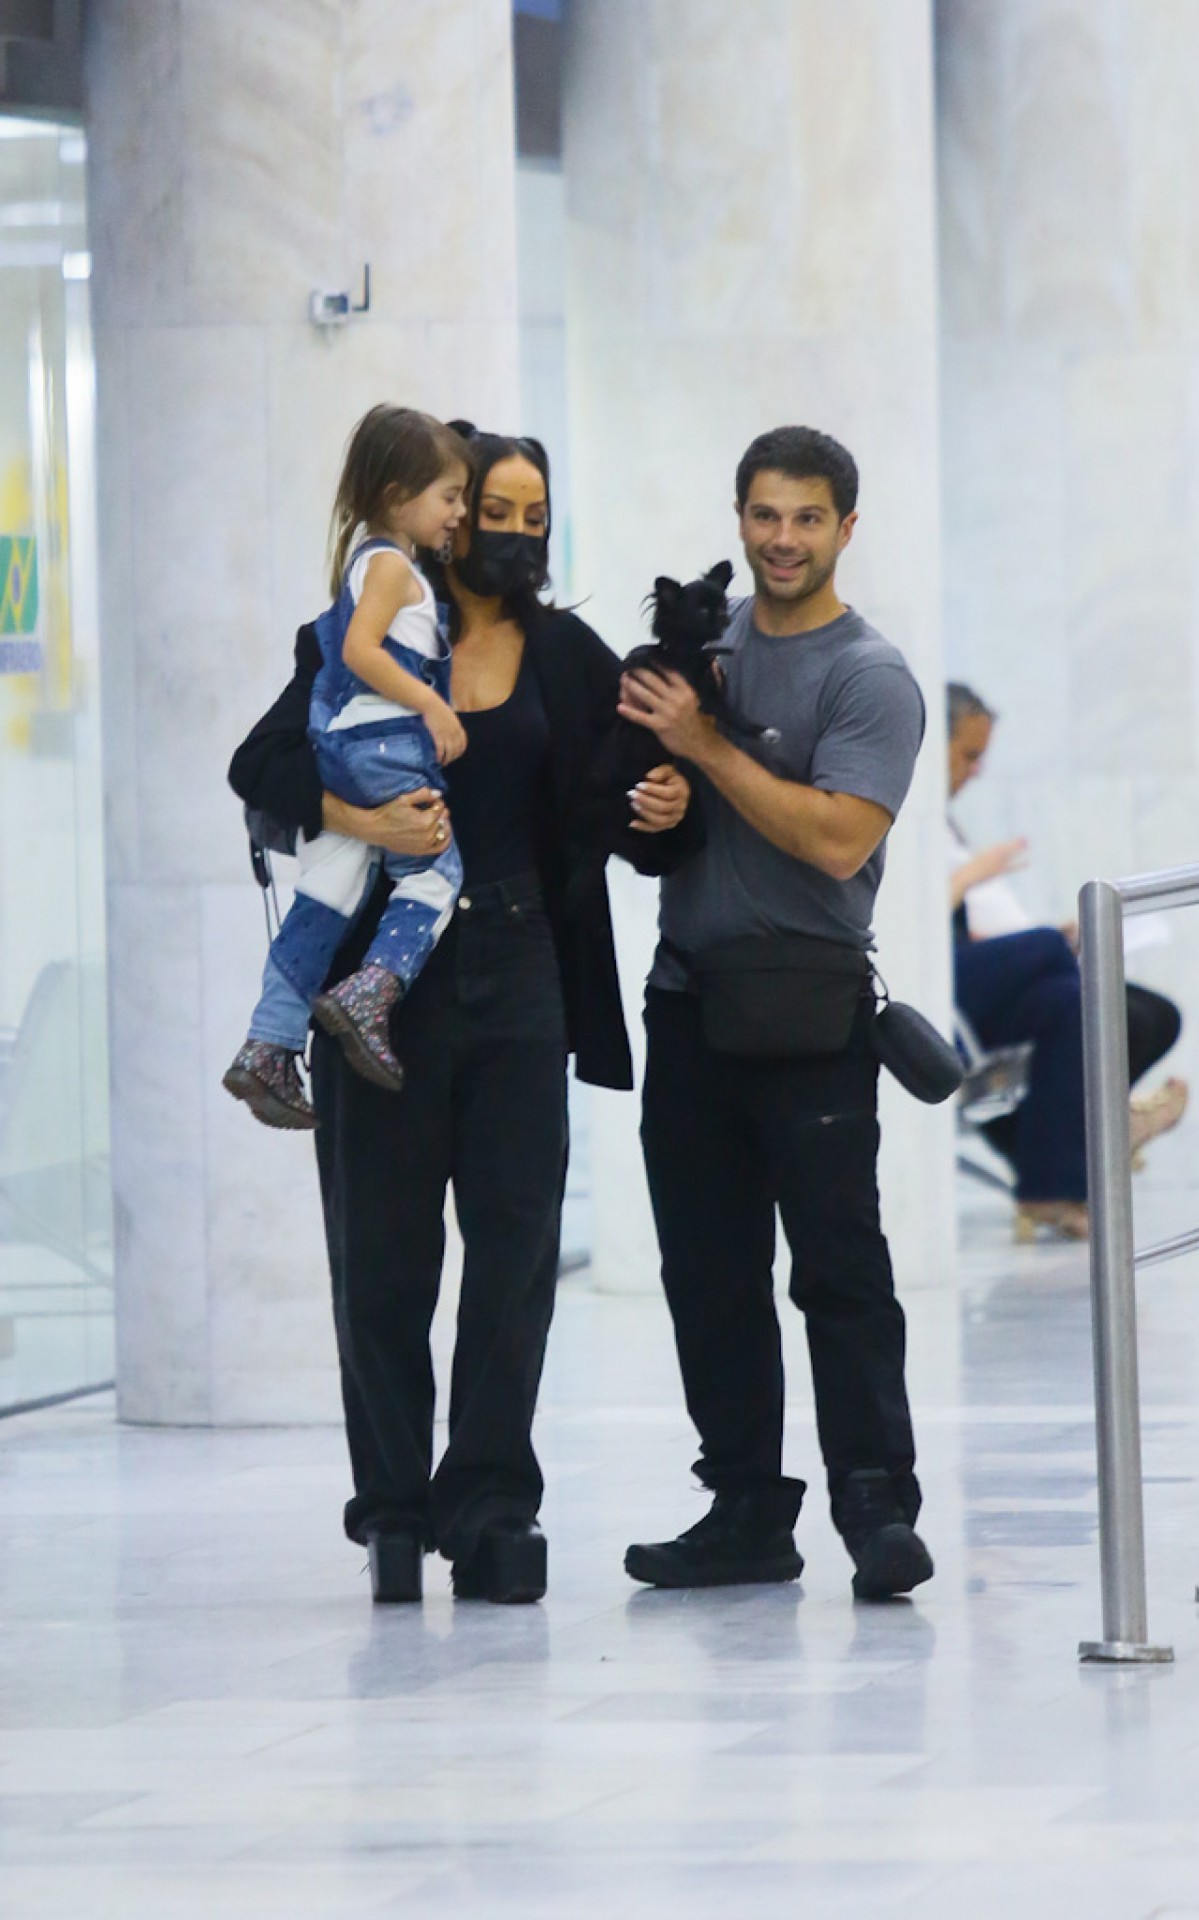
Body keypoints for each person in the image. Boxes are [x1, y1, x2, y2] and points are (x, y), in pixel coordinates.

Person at [227, 427, 699, 1607]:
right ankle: (390, 1509)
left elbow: (641, 821)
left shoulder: (567, 655)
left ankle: (488, 1503)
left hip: (520, 968)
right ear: (447, 514)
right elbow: (260, 764)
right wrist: (363, 818)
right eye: (497, 508)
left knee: (514, 1255)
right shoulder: (367, 633)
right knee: (382, 1258)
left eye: (538, 517)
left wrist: (670, 799)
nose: (518, 534)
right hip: (376, 987)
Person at [616, 425, 935, 1603]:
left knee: (837, 1268)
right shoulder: (704, 643)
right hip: (687, 1002)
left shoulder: (869, 676)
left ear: (845, 529)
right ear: (738, 518)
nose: (781, 539)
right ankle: (746, 1507)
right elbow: (667, 807)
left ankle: (874, 1506)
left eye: (806, 518)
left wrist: (701, 744)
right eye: (763, 515)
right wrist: (656, 797)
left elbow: (837, 835)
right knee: (706, 1270)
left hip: (809, 1015)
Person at [224, 407, 471, 1126]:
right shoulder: (394, 569)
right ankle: (373, 990)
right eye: (449, 497)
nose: (457, 514)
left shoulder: (366, 563)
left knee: (327, 893)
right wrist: (433, 704)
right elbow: (363, 653)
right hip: (386, 743)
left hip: (339, 749)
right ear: (398, 497)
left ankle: (268, 1040)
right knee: (433, 870)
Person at [948, 682, 1186, 1240]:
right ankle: (1101, 1129)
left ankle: (1050, 1182)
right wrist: (972, 875)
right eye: (969, 755)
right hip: (933, 994)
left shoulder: (946, 824)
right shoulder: (897, 815)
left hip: (976, 975)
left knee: (1072, 1001)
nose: (976, 771)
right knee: (1055, 956)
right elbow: (903, 921)